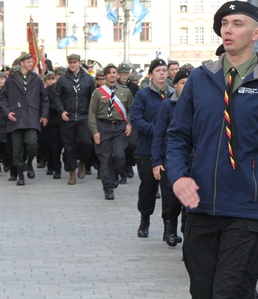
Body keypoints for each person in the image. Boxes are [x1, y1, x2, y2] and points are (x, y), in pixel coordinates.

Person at [167, 0, 258, 298]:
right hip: (201, 208)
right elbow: (177, 136)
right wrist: (179, 176)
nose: (228, 30)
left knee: (229, 292)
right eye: (224, 24)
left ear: (256, 32)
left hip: (251, 212)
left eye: (237, 24)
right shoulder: (200, 78)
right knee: (203, 292)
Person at [131, 58, 174, 237]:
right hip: (147, 149)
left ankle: (168, 227)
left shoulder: (174, 94)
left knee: (168, 190)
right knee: (148, 187)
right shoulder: (143, 94)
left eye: (164, 70)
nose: (163, 73)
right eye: (158, 71)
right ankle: (144, 220)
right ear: (151, 75)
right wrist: (156, 130)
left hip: (169, 150)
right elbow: (135, 119)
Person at [152, 67, 190, 245]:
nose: (186, 86)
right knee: (172, 196)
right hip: (171, 157)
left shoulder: (198, 103)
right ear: (175, 84)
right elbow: (159, 133)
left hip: (192, 157)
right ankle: (170, 227)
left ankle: (187, 233)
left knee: (189, 200)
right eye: (182, 82)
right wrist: (156, 161)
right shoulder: (168, 104)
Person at [0, 52, 49, 186]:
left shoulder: (36, 79)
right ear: (21, 63)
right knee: (17, 148)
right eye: (28, 61)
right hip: (16, 118)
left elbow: (44, 98)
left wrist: (44, 115)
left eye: (31, 61)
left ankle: (29, 163)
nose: (31, 64)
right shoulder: (11, 79)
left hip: (32, 116)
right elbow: (2, 98)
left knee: (32, 144)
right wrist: (7, 112)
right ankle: (20, 174)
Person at [89, 63, 133, 200]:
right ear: (105, 75)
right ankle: (108, 188)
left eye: (114, 72)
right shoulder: (98, 92)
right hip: (104, 128)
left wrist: (129, 124)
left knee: (119, 156)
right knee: (105, 159)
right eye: (109, 73)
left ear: (117, 74)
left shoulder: (125, 91)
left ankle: (115, 175)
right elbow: (92, 114)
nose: (112, 75)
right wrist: (95, 131)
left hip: (120, 128)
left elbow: (132, 109)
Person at [52, 53, 95, 185]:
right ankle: (72, 172)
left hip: (83, 116)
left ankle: (82, 162)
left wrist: (92, 114)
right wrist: (62, 111)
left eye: (75, 62)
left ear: (79, 63)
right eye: (70, 63)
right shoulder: (63, 80)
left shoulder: (88, 79)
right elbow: (56, 96)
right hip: (68, 117)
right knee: (69, 146)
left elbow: (93, 97)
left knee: (86, 142)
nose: (72, 65)